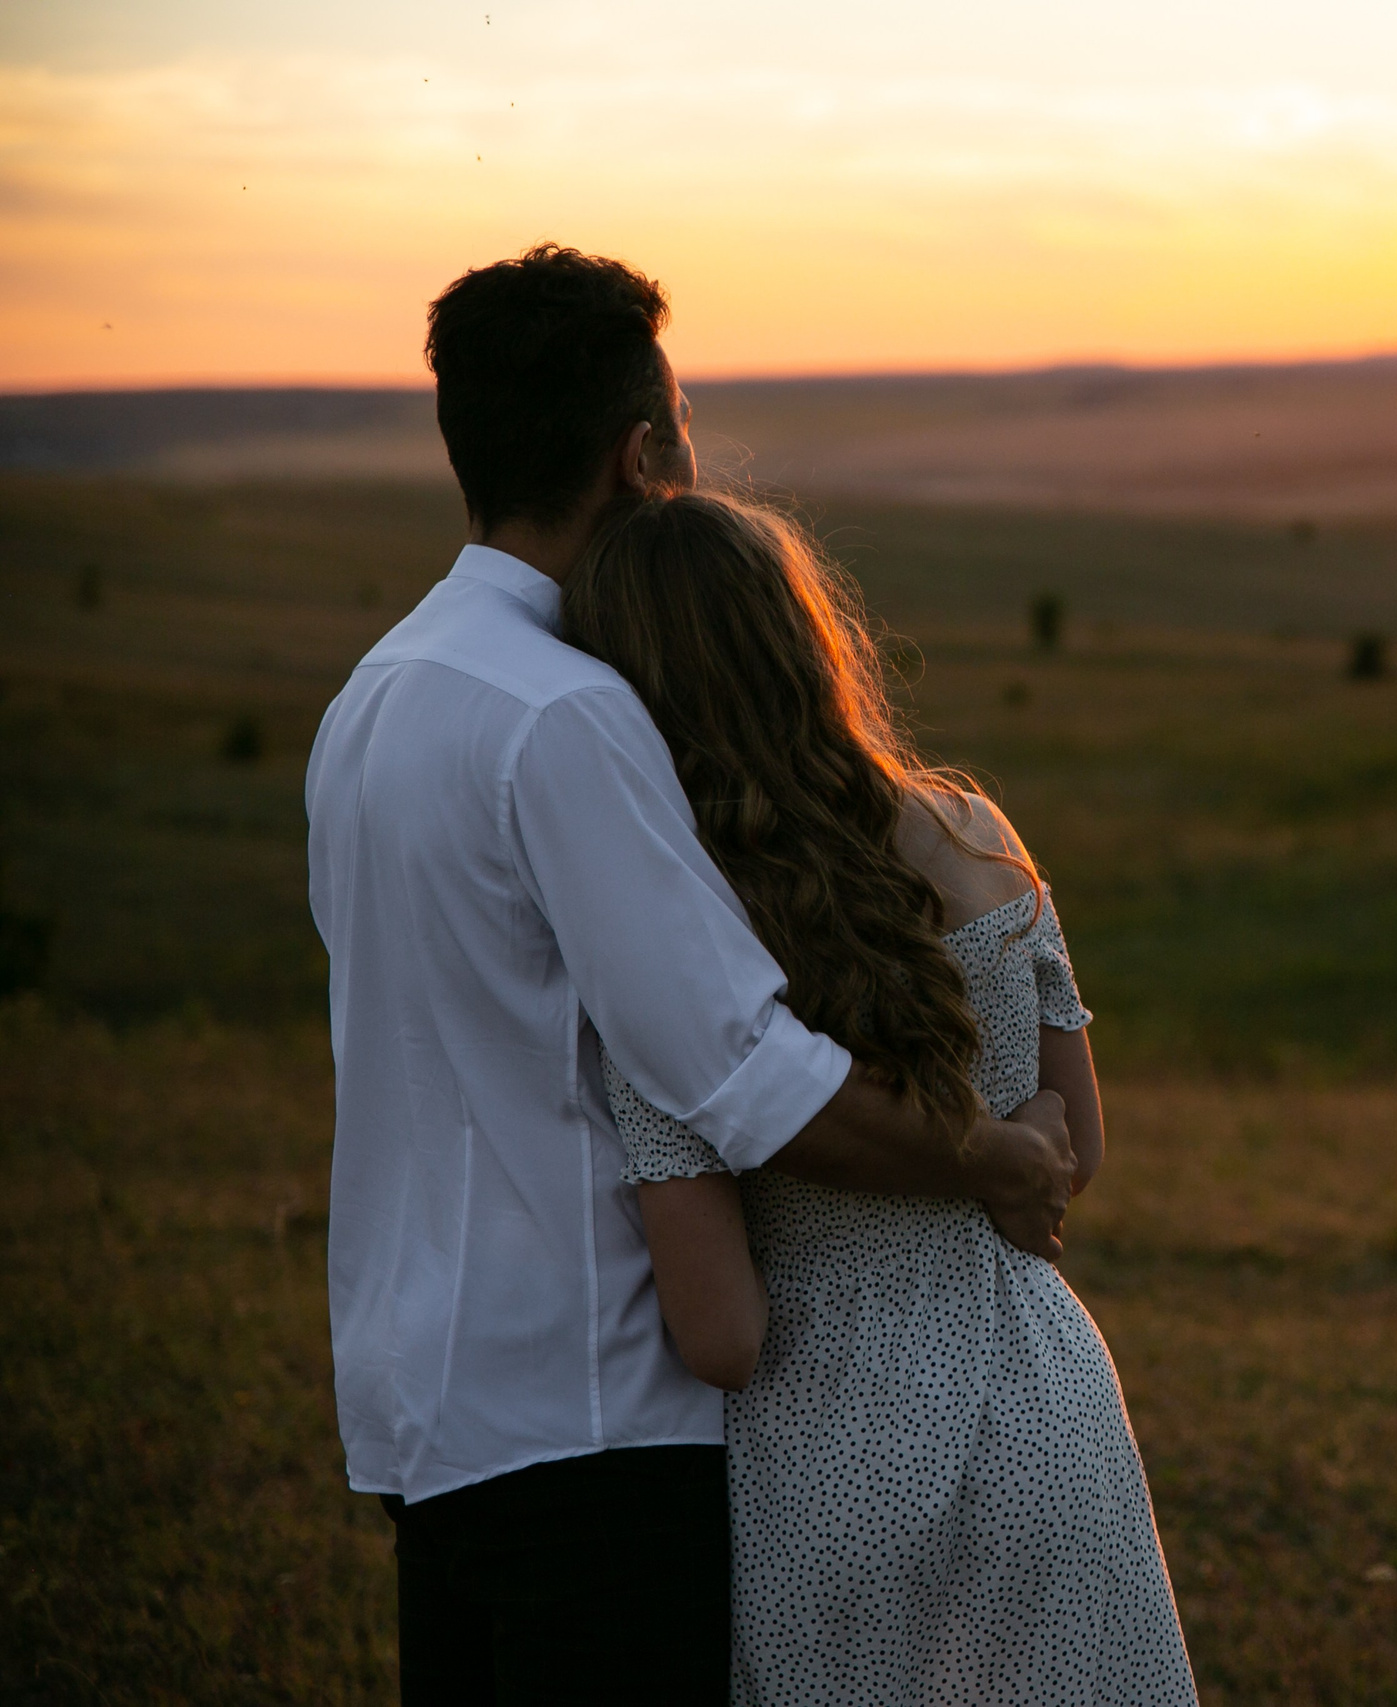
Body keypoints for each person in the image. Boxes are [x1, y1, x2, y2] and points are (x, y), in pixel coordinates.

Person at [305, 244, 1076, 1705]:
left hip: (431, 1411)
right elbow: (742, 1075)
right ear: (641, 452)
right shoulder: (573, 715)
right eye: (686, 427)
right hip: (595, 1427)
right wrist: (993, 1155)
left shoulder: (377, 694)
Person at [558, 491, 1198, 1705]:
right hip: (1048, 1403)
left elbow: (724, 1338)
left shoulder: (679, 948)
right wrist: (1009, 1156)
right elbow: (1081, 1146)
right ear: (805, 637)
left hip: (830, 1454)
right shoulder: (975, 829)